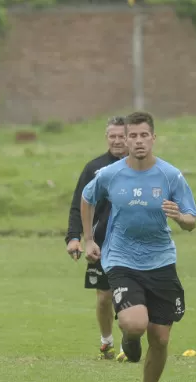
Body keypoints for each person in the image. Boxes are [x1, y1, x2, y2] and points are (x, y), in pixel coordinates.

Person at [81, 111, 196, 382]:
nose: (138, 141)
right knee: (135, 323)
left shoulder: (171, 176)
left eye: (143, 135)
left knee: (160, 339)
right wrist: (89, 239)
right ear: (126, 139)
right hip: (121, 259)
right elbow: (86, 197)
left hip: (161, 261)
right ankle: (129, 337)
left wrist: (179, 216)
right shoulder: (110, 174)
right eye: (132, 136)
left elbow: (191, 220)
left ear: (153, 138)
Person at [65, 116, 129, 360]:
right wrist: (74, 237)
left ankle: (127, 344)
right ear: (106, 138)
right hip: (100, 243)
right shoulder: (95, 168)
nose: (116, 141)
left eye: (121, 136)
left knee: (125, 293)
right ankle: (107, 342)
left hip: (130, 243)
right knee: (104, 297)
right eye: (112, 136)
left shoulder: (139, 168)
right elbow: (77, 205)